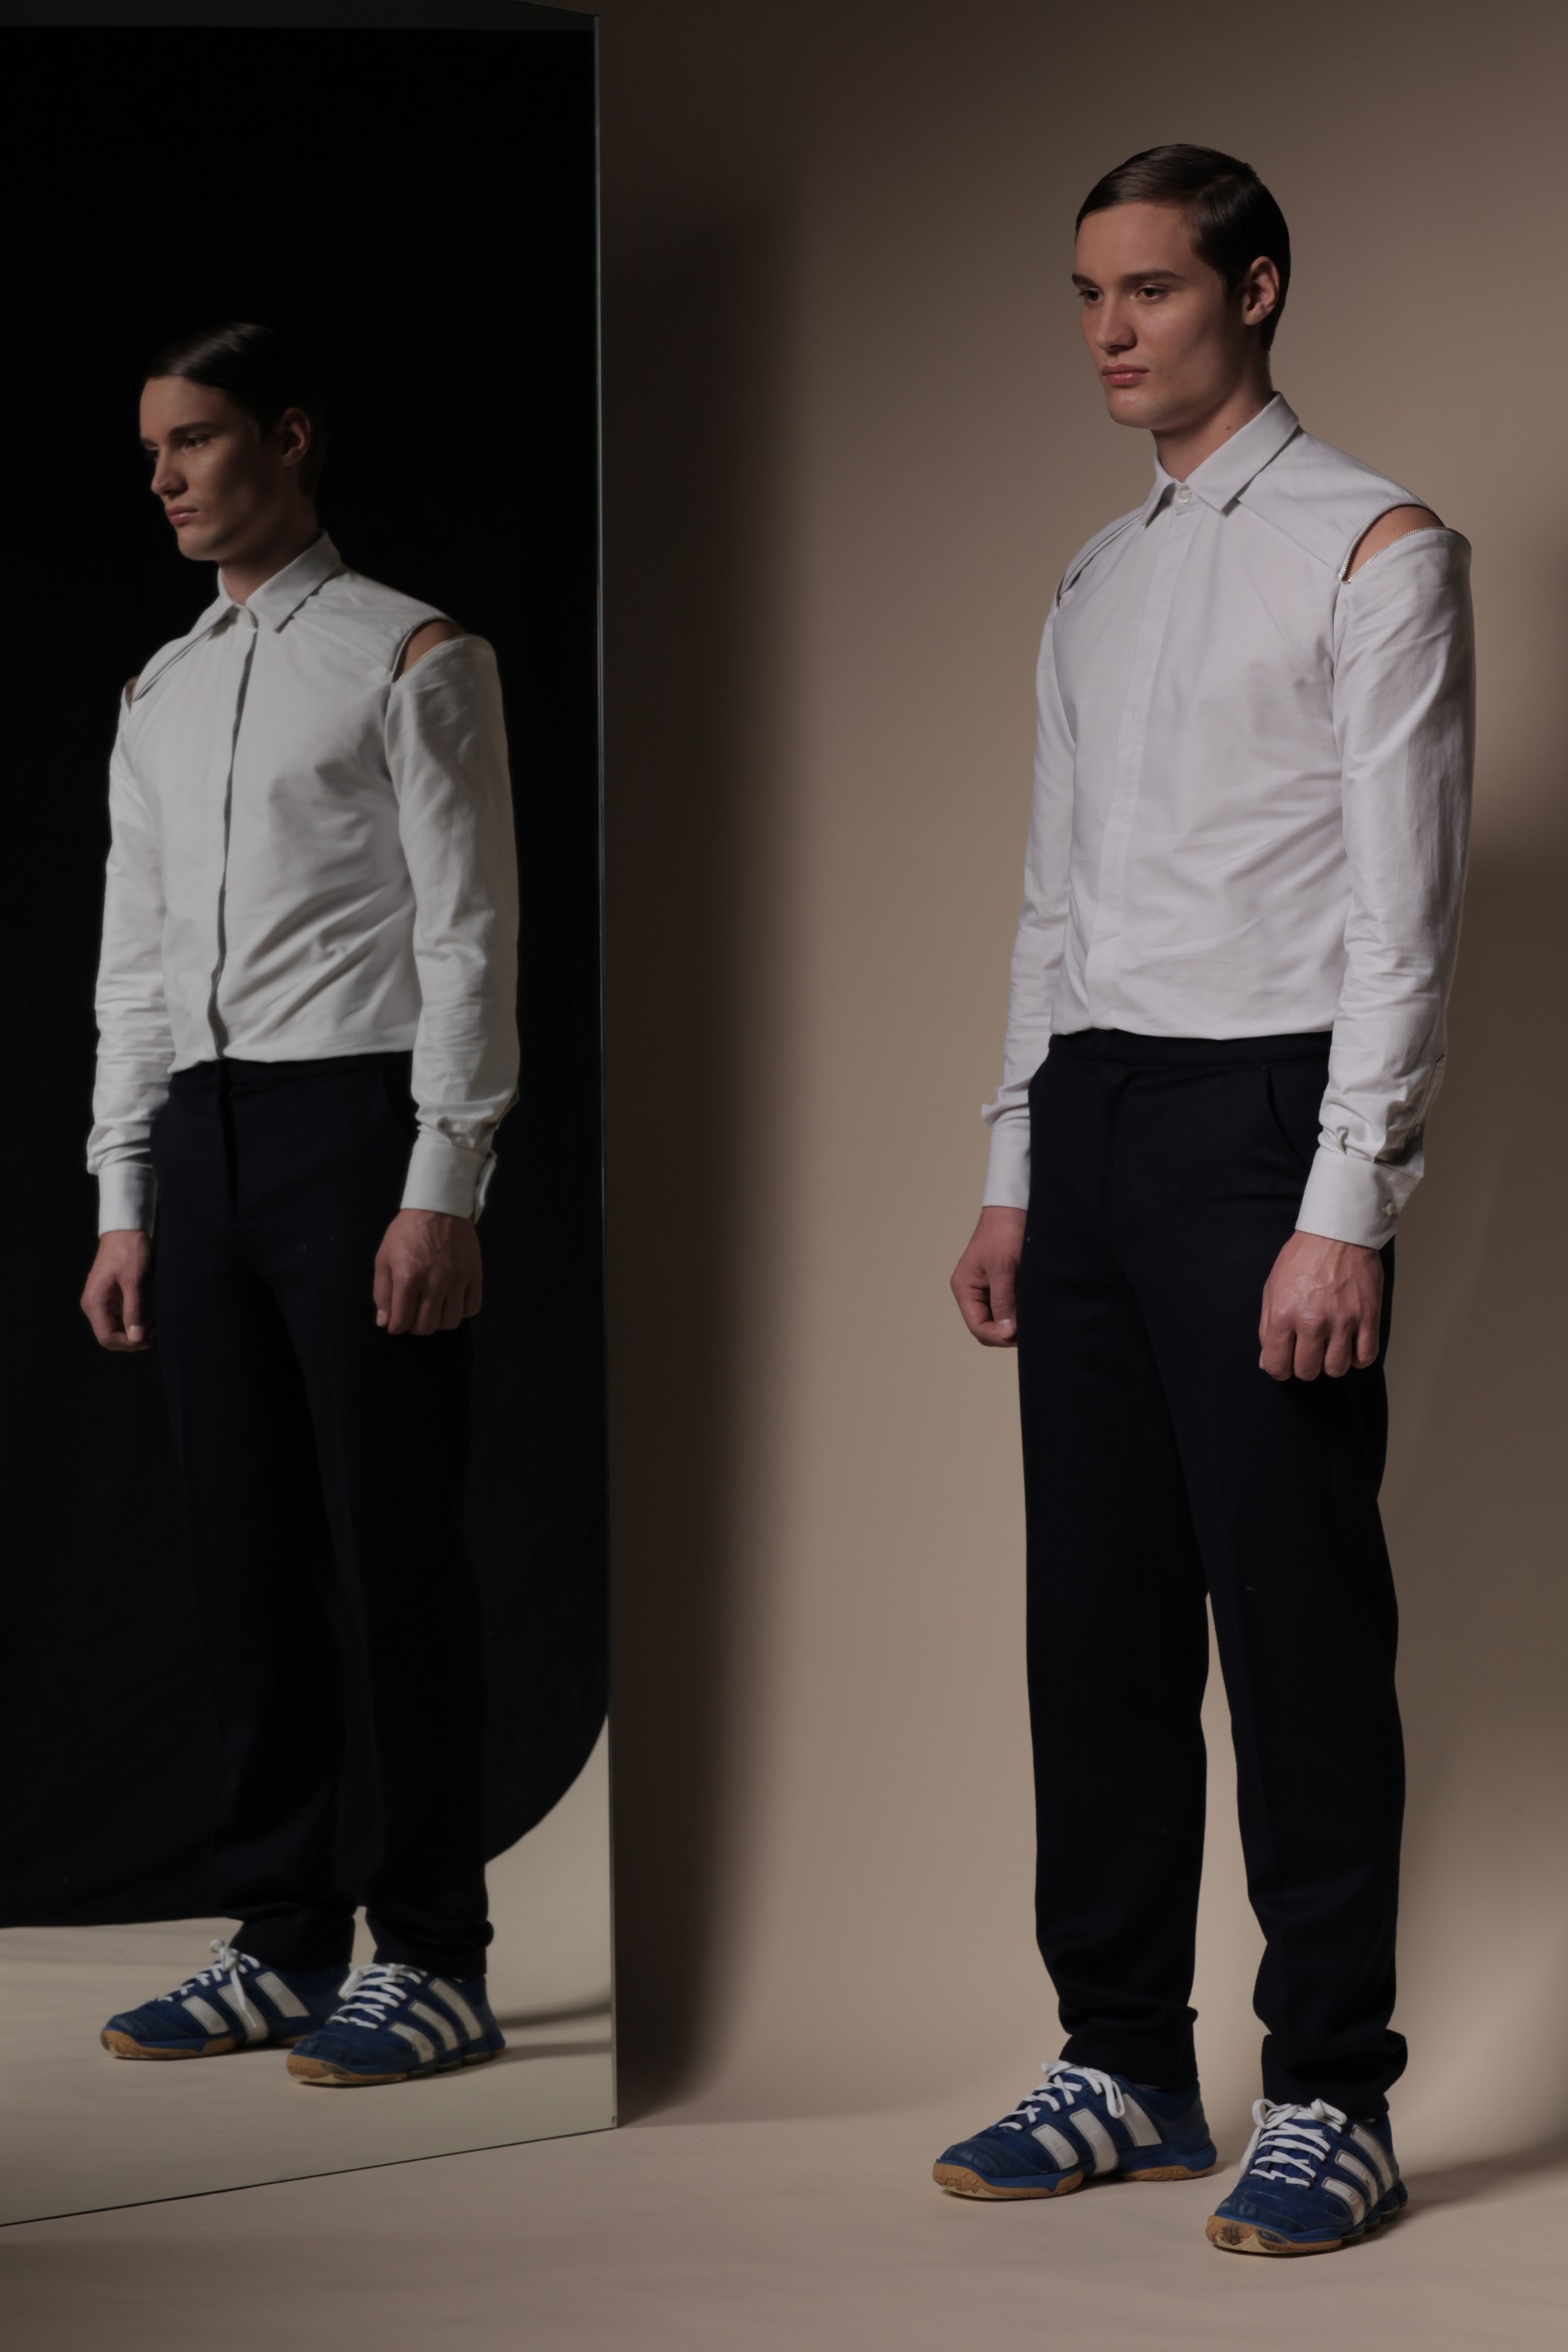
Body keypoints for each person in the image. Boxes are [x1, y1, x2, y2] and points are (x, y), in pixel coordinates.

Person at [936, 148, 1473, 2254]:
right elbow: (1051, 897)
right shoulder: (1092, 576)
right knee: (1094, 1618)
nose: (1108, 329)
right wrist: (1011, 1165)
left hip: (1264, 1120)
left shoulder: (1374, 545)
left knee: (1296, 1617)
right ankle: (1124, 2062)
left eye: (1148, 287)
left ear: (1251, 289)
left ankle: (1333, 2088)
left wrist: (1346, 1199)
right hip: (1090, 1115)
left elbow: (1402, 918)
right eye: (1086, 292)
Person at [81, 322, 520, 2088]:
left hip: (356, 1125)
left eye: (195, 440)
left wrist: (444, 1181)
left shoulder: (411, 652)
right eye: (152, 453)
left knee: (389, 1546)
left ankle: (434, 1953)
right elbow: (132, 963)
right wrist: (123, 1197)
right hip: (200, 1139)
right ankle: (278, 1936)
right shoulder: (158, 694)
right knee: (242, 1551)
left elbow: (470, 938)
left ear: (288, 435)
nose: (168, 480)